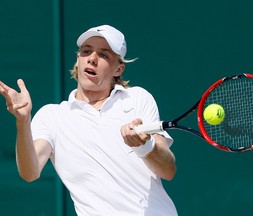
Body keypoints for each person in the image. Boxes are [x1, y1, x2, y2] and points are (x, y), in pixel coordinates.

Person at [0, 24, 178, 216]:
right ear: (78, 60)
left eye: (103, 55)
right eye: (86, 51)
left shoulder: (137, 98)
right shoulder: (52, 117)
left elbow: (168, 170)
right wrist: (23, 122)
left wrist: (145, 146)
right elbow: (30, 172)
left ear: (118, 69)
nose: (92, 59)